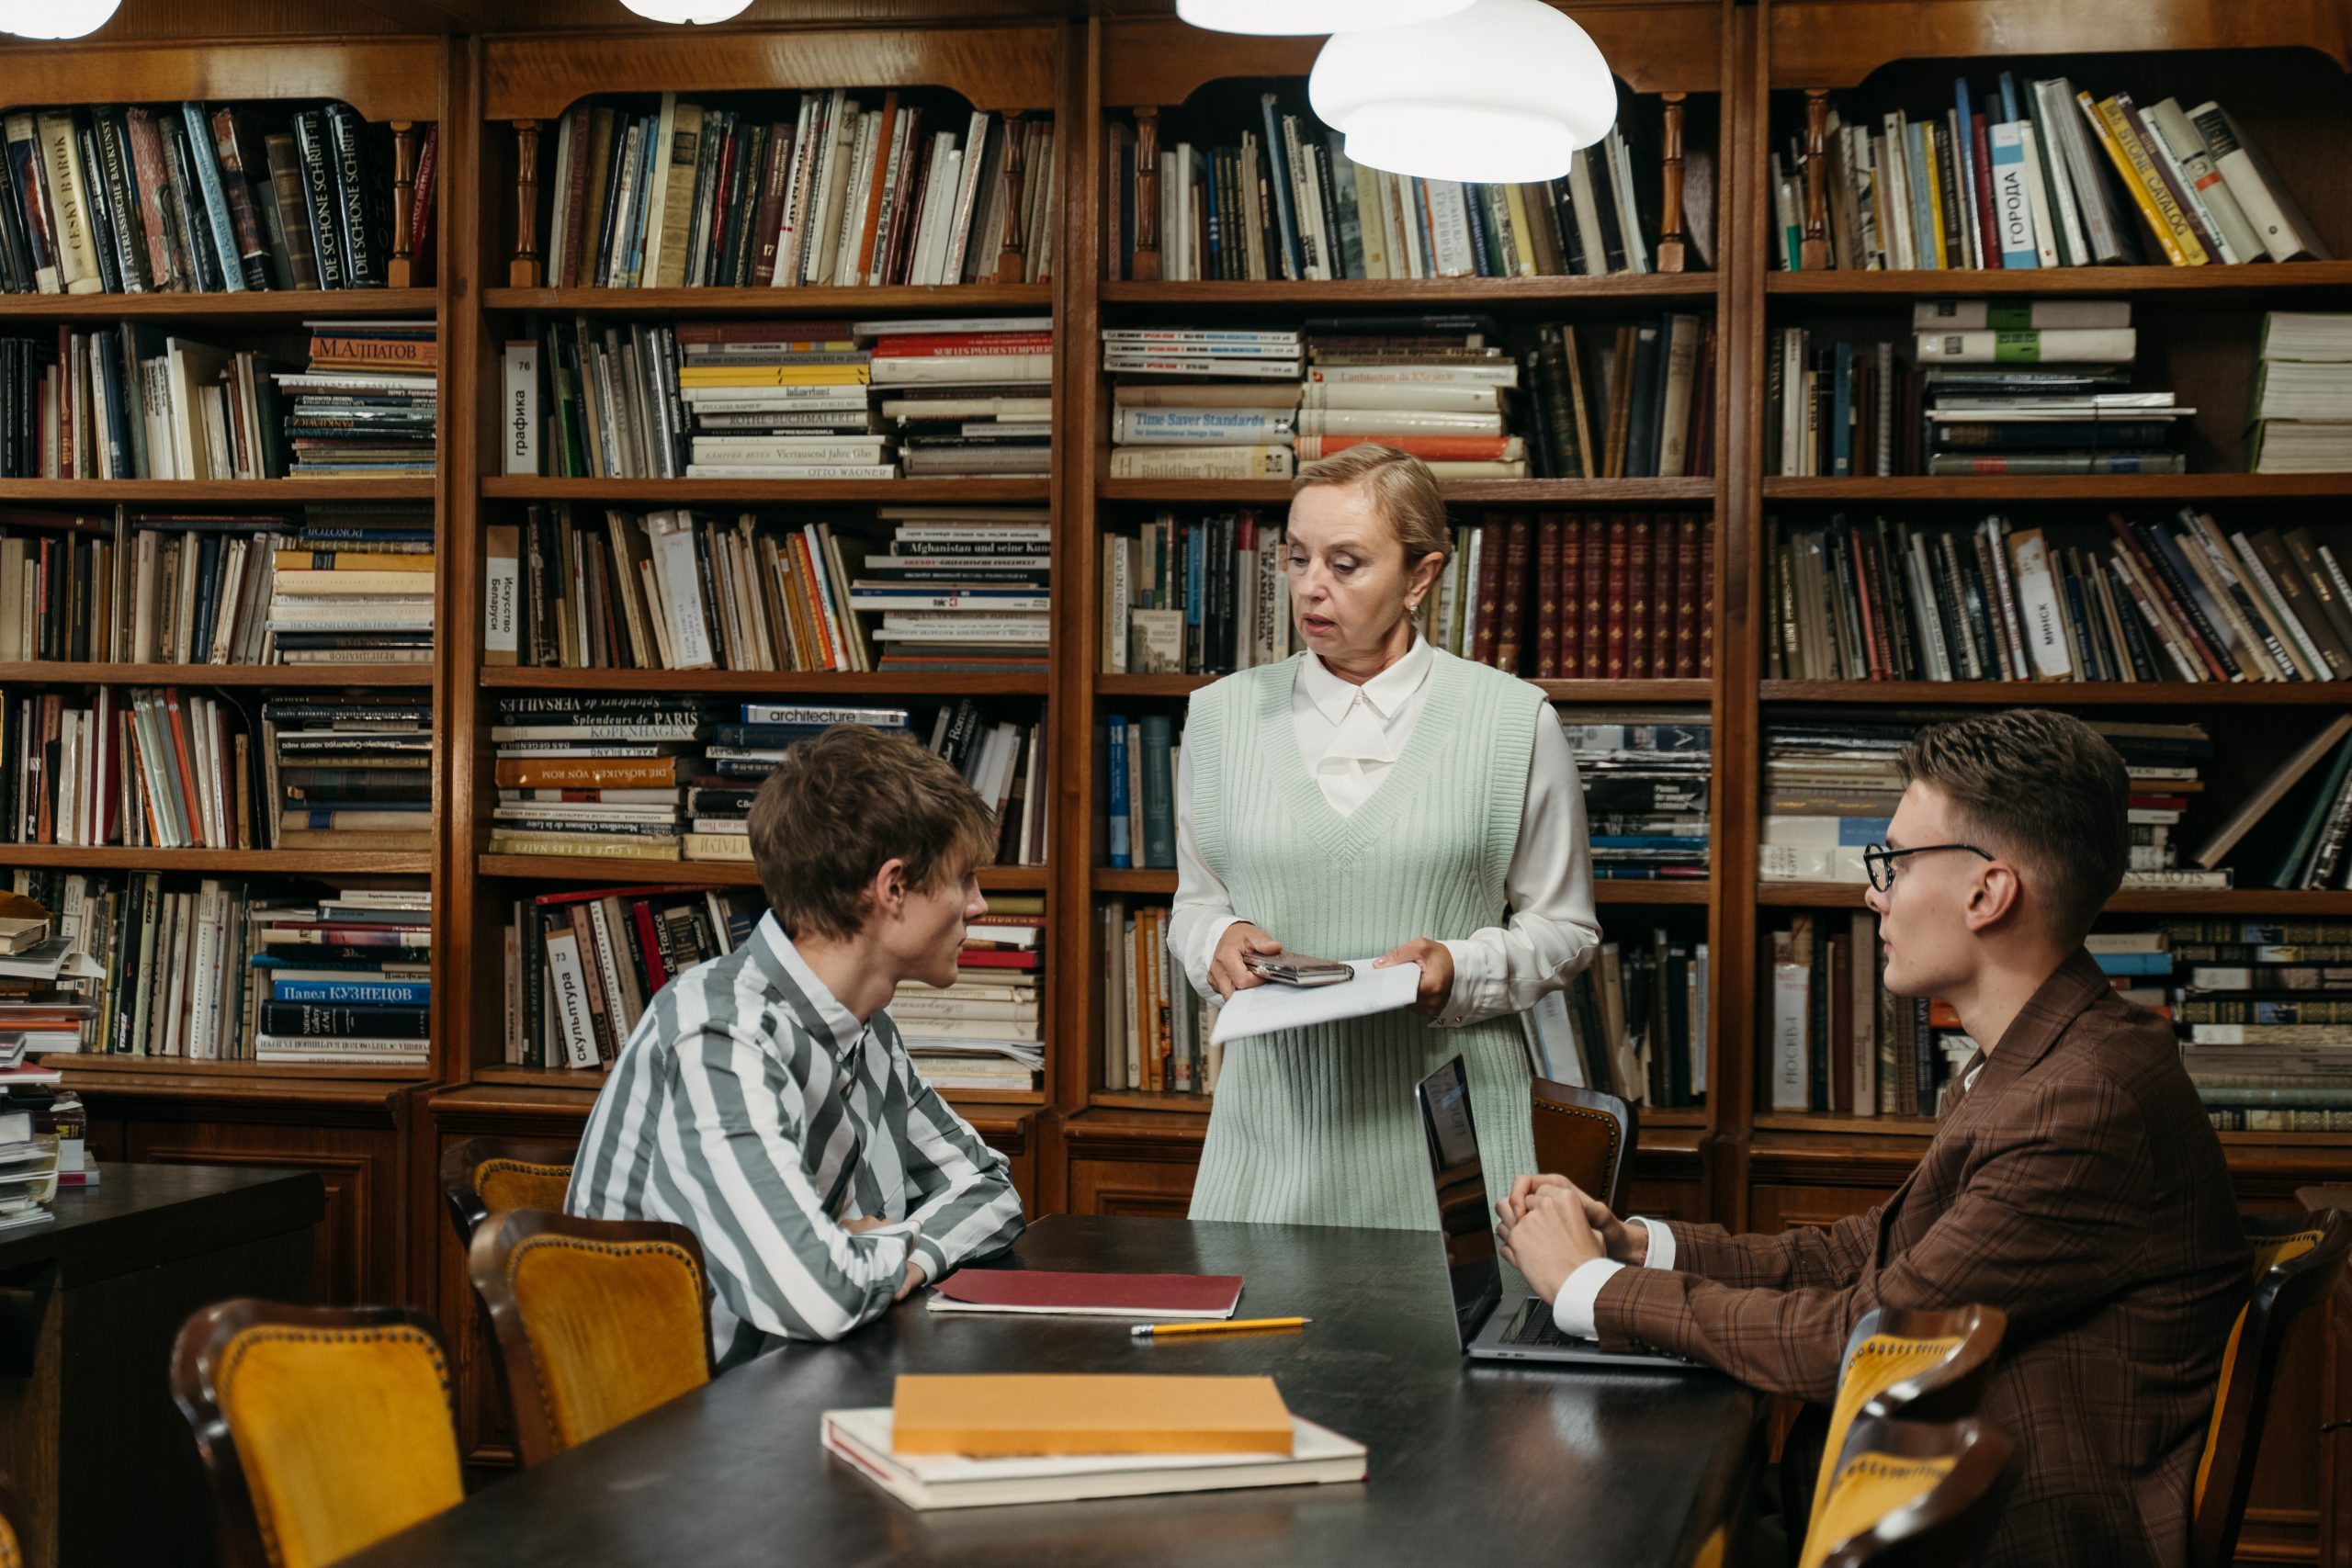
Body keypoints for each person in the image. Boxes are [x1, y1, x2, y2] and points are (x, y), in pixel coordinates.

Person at [1498, 707, 2251, 1568]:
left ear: (1988, 892)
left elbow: (1859, 1340)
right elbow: (1868, 1255)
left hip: (2001, 1534)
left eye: (1893, 863)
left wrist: (1586, 1286)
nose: (1873, 891)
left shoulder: (2079, 1102)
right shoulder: (2042, 1056)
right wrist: (1637, 1245)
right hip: (1932, 1500)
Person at [1170, 444, 1602, 1229]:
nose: (1310, 586)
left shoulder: (1513, 722)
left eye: (1346, 563)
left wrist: (1458, 969)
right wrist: (1216, 940)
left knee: (1456, 1351)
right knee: (1252, 1350)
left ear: (1421, 576)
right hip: (1267, 1147)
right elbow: (1194, 906)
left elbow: (1566, 929)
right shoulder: (1219, 719)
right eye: (1297, 557)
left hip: (1455, 1154)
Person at [568, 724, 1024, 1366]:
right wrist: (859, 1250)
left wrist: (886, 1244)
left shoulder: (864, 1026)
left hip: (797, 1392)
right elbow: (820, 1294)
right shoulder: (719, 1035)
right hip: (681, 1440)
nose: (978, 904)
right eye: (965, 876)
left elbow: (990, 1190)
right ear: (892, 887)